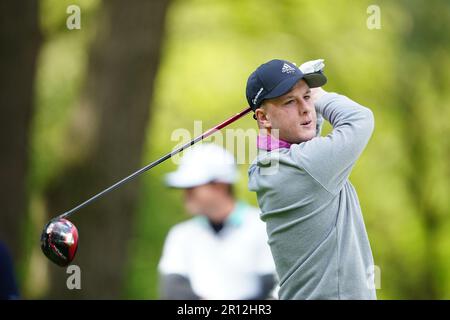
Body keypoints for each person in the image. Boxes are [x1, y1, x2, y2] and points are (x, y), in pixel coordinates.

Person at [246, 58, 376, 299]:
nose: (306, 108)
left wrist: (298, 97)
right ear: (263, 118)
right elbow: (360, 119)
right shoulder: (304, 167)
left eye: (306, 98)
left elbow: (306, 136)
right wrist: (319, 94)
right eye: (289, 102)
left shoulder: (268, 165)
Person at [158, 143, 277, 300]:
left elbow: (273, 289)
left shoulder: (262, 226)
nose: (185, 195)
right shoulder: (181, 234)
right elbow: (173, 291)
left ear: (220, 185)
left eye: (191, 187)